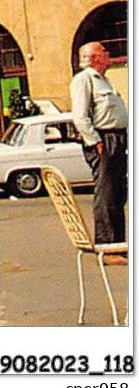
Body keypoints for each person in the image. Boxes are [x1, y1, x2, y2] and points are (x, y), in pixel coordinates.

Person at [72, 40, 128, 258]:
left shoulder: (104, 80)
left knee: (118, 193)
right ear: (94, 57)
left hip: (118, 138)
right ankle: (107, 247)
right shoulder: (84, 80)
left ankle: (119, 245)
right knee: (106, 193)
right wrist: (95, 141)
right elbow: (80, 115)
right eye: (103, 50)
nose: (108, 53)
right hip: (104, 140)